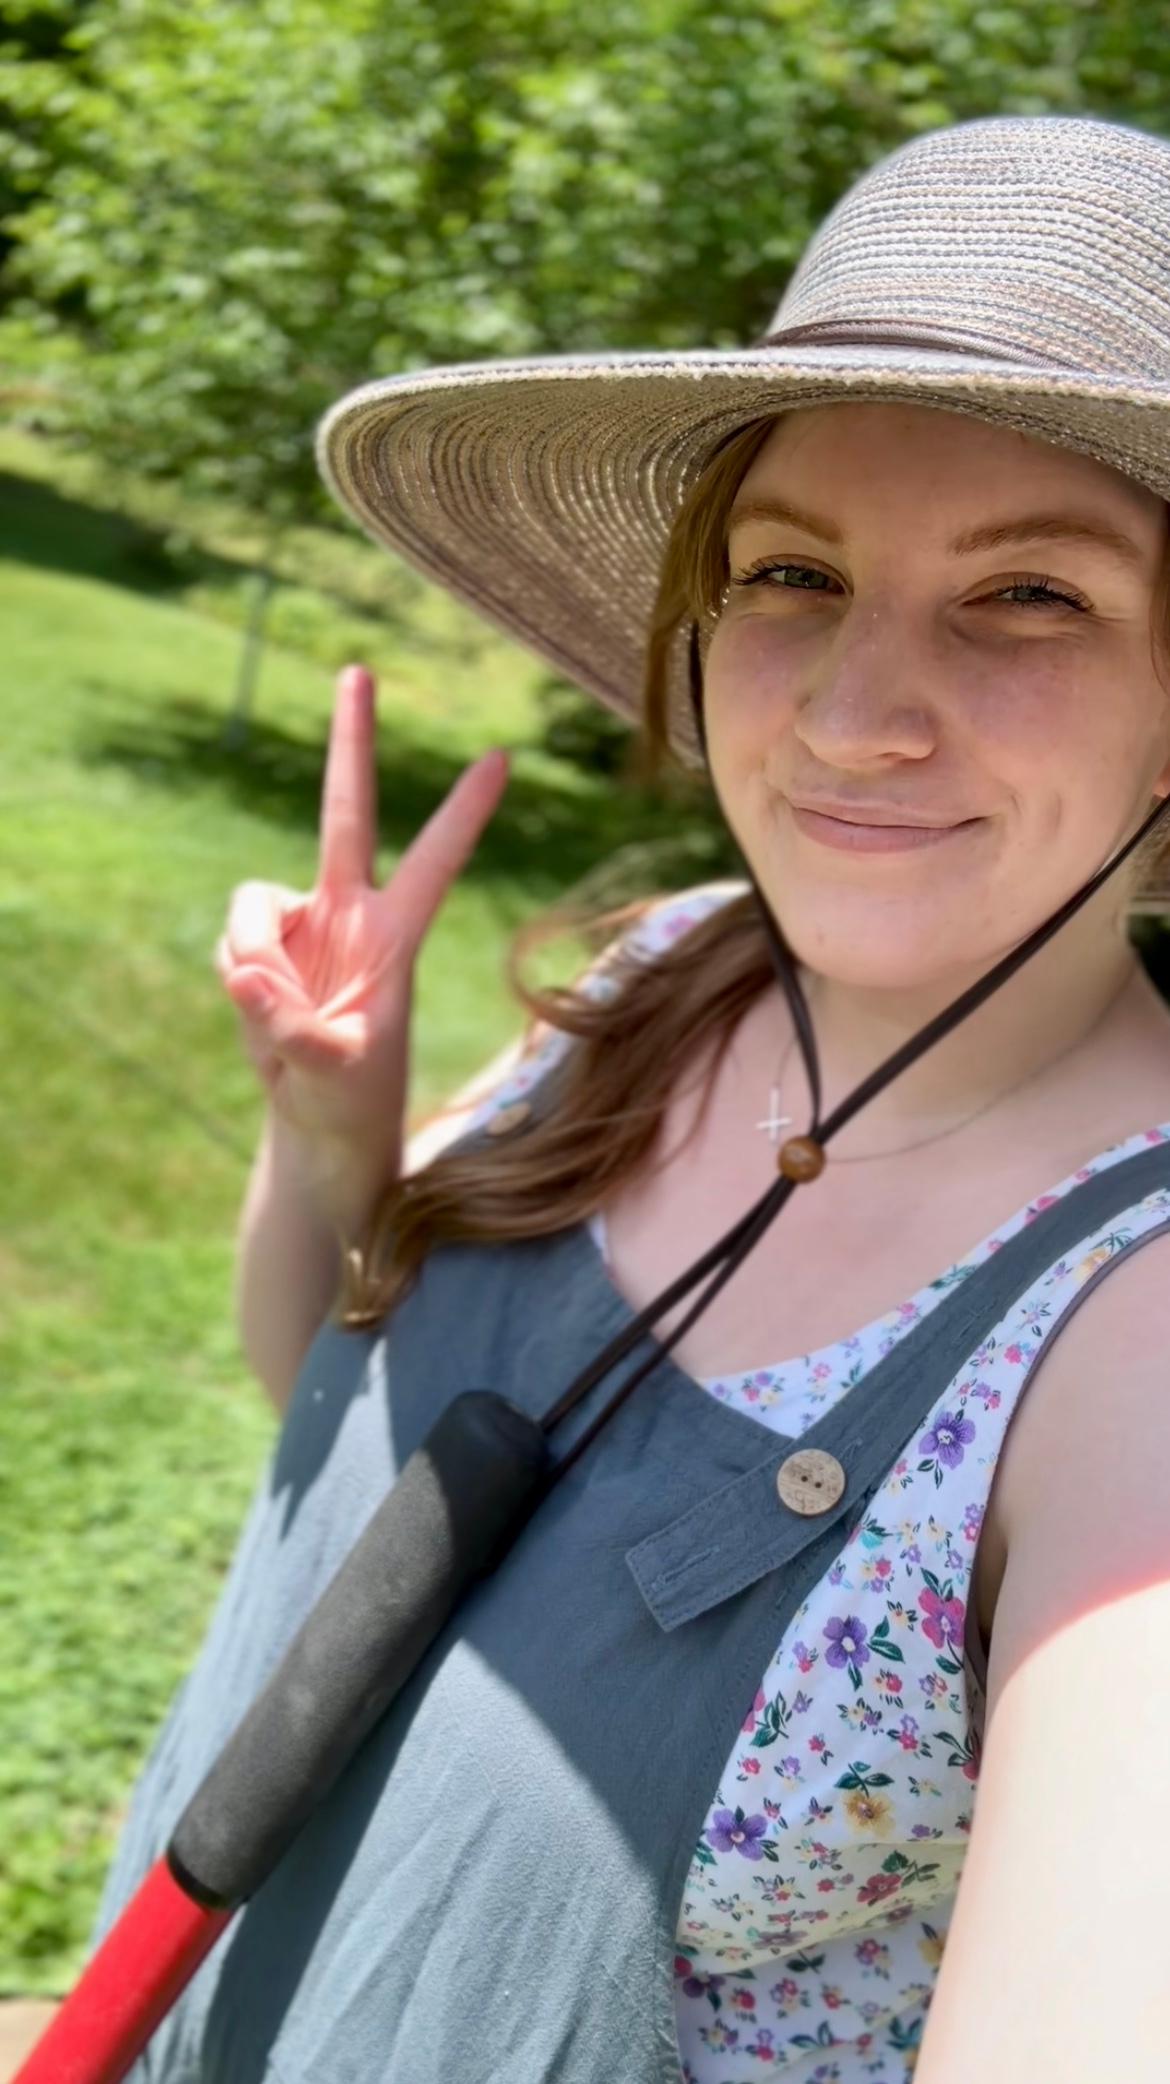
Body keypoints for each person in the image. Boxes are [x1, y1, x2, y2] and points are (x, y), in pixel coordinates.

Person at [87, 112, 1170, 2082]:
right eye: (792, 570)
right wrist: (333, 1139)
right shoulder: (663, 971)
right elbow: (329, 1416)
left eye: (1029, 594)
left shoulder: (1134, 1328)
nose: (850, 711)